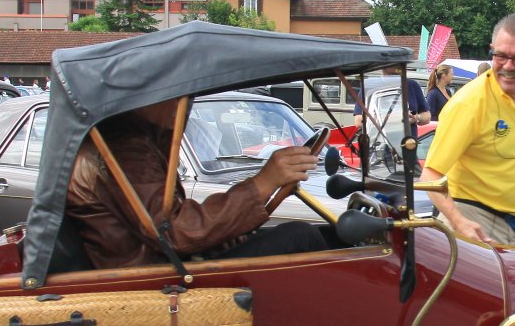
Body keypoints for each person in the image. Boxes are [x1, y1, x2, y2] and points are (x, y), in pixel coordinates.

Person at [67, 99, 326, 269]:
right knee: (300, 236)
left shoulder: (132, 142)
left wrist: (239, 227)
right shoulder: (125, 150)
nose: (185, 107)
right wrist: (262, 184)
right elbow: (175, 233)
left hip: (167, 263)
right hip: (156, 280)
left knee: (324, 233)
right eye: (182, 98)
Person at [418, 13, 515, 246]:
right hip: (473, 220)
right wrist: (458, 222)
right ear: (492, 49)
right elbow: (430, 176)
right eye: (500, 56)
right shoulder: (469, 103)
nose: (508, 66)